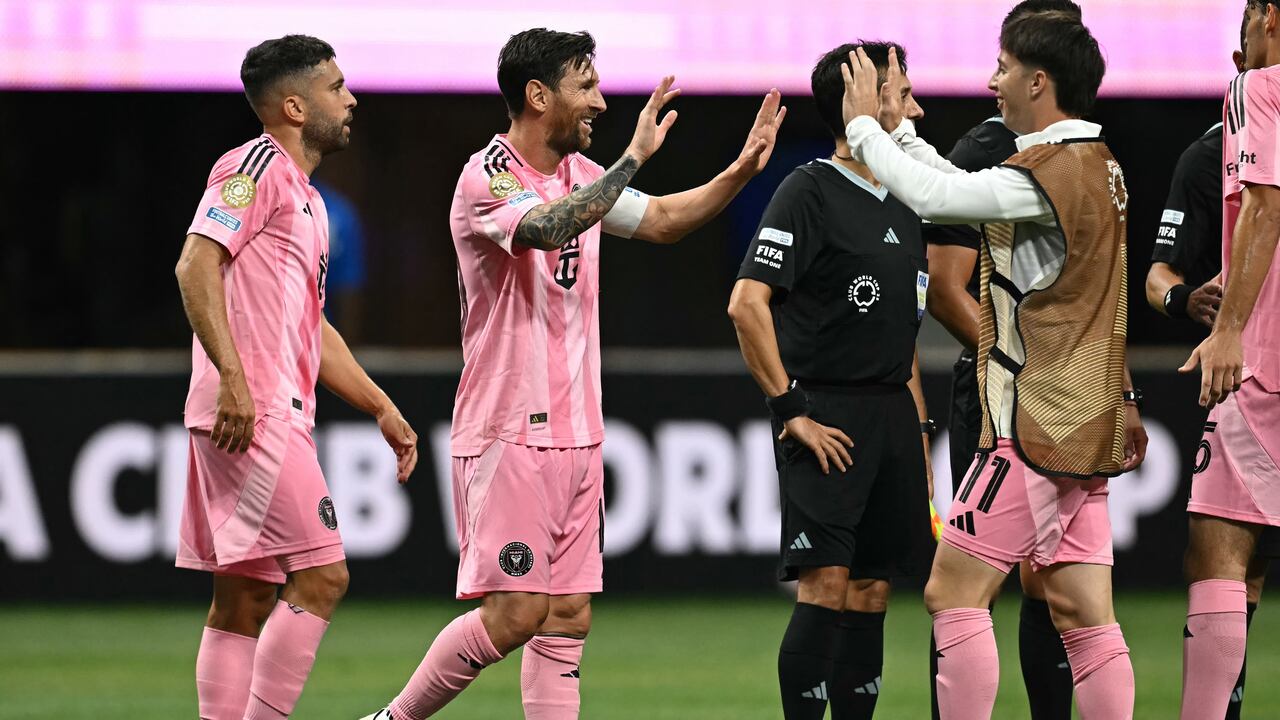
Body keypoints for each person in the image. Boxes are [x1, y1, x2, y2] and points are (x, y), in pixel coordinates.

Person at [360, 28, 785, 720]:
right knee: (516, 611)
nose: (600, 100)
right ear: (537, 95)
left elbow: (664, 221)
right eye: (584, 85)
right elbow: (549, 228)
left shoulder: (577, 175)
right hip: (508, 431)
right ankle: (393, 718)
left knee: (566, 615)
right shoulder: (487, 177)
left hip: (578, 429)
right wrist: (635, 158)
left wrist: (740, 172)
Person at [840, 12, 1148, 719]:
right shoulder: (1095, 165)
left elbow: (939, 199)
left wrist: (863, 128)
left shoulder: (1049, 174)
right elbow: (964, 186)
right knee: (1085, 616)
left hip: (1035, 430)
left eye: (1004, 68)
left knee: (952, 595)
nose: (992, 81)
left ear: (1039, 81)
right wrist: (900, 133)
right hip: (1084, 425)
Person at [174, 35, 419, 720]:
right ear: (292, 104)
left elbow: (313, 326)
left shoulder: (308, 201)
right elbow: (194, 265)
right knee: (323, 574)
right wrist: (233, 379)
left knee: (244, 595)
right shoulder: (252, 166)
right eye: (336, 87)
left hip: (266, 406)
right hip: (251, 409)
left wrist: (380, 405)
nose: (351, 99)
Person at [728, 42, 934, 720]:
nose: (915, 105)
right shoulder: (808, 190)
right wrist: (790, 408)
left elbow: (902, 341)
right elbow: (746, 303)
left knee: (873, 592)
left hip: (893, 417)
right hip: (826, 414)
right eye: (900, 91)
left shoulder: (908, 196)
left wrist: (921, 439)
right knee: (826, 583)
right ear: (861, 99)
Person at [922, 3, 1081, 718]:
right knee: (969, 577)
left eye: (1007, 64)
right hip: (996, 400)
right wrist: (1018, 369)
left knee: (1061, 584)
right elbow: (946, 288)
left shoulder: (1088, 158)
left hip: (1075, 401)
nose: (994, 79)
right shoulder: (983, 149)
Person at [1147, 33, 1279, 720]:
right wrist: (1183, 296)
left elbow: (1263, 207)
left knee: (1220, 553)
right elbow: (1160, 274)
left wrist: (1229, 327)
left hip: (1261, 360)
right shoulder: (1204, 154)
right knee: (1236, 563)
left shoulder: (1255, 98)